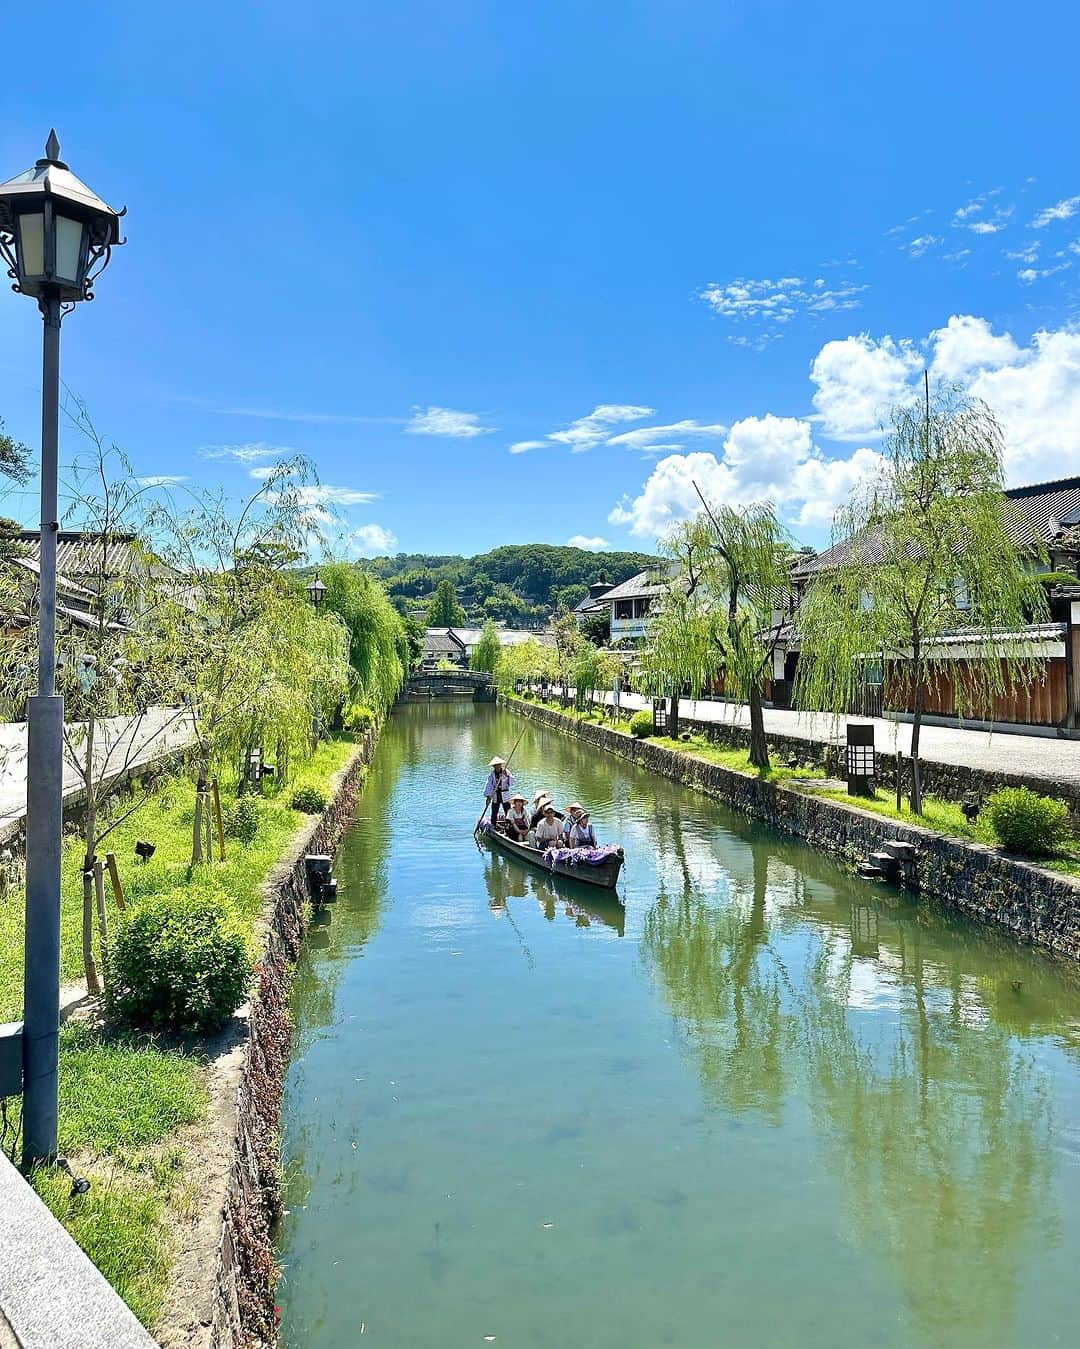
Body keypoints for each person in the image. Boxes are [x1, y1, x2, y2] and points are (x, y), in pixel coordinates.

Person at [484, 756, 514, 826]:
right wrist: (488, 797)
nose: (498, 766)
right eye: (496, 765)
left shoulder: (506, 771)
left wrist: (506, 775)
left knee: (507, 810)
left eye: (499, 765)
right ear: (494, 766)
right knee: (494, 810)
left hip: (505, 794)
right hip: (496, 794)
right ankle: (493, 824)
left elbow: (512, 781)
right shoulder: (492, 774)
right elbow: (489, 785)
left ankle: (509, 825)